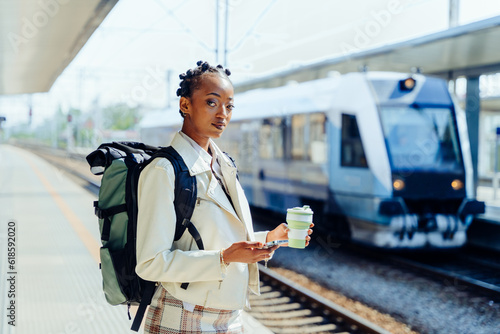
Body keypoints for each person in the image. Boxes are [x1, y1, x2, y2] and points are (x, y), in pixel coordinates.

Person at [135, 60, 313, 334]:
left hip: (228, 319)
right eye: (211, 102)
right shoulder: (164, 170)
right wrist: (223, 258)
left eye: (229, 106)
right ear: (185, 105)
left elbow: (218, 238)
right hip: (181, 316)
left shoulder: (223, 165)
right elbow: (150, 263)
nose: (223, 114)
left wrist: (268, 238)